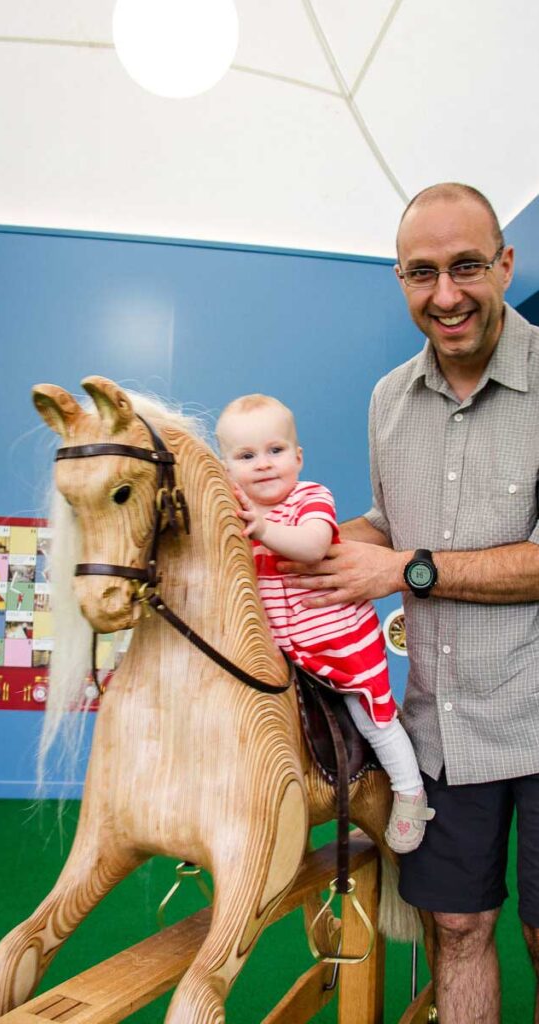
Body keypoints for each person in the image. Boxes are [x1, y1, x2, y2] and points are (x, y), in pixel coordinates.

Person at [277, 182, 539, 1024]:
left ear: (505, 264)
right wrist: (273, 548)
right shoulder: (387, 399)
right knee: (456, 928)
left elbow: (404, 559)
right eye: (420, 273)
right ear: (399, 280)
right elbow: (387, 527)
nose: (446, 294)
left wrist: (406, 571)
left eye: (466, 266)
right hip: (439, 727)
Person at [215, 392, 435, 853]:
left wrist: (263, 530)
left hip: (341, 643)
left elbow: (313, 546)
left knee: (370, 716)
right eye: (246, 456)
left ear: (298, 457)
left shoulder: (309, 498)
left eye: (276, 451)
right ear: (227, 468)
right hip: (283, 650)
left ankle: (411, 793)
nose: (264, 465)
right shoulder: (233, 515)